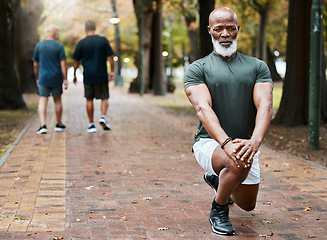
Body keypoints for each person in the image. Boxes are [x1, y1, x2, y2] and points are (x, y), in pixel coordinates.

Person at [184, 7, 273, 236]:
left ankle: (218, 180)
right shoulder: (198, 68)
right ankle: (219, 208)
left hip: (246, 143)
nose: (225, 33)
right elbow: (203, 109)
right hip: (210, 142)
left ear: (237, 30)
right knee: (238, 160)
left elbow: (265, 105)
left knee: (248, 205)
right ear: (210, 31)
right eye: (219, 29)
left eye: (230, 28)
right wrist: (226, 143)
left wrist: (255, 141)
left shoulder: (257, 66)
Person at [72, 20, 115, 133]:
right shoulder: (103, 41)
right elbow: (110, 57)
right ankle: (103, 116)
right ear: (95, 28)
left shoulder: (81, 43)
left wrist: (74, 74)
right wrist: (112, 71)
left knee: (89, 99)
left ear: (85, 29)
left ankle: (91, 124)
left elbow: (76, 61)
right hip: (101, 74)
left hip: (88, 76)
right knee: (104, 97)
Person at [33, 24, 68, 134]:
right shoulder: (59, 46)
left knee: (43, 100)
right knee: (57, 100)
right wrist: (65, 78)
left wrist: (37, 76)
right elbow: (63, 64)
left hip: (43, 77)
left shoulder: (39, 46)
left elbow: (35, 64)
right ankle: (58, 124)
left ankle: (43, 125)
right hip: (56, 77)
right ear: (55, 33)